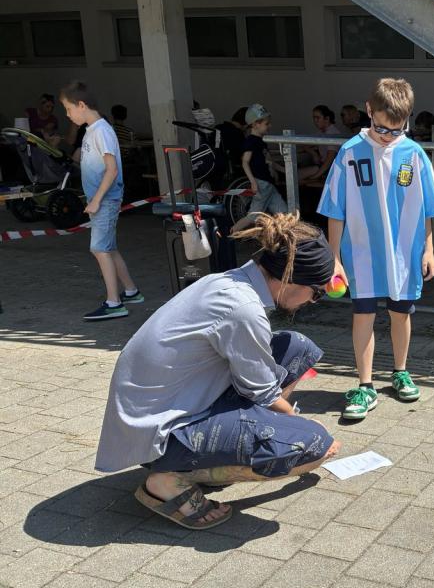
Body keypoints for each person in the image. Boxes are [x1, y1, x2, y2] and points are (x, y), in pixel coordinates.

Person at [95, 213, 339, 530]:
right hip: (160, 435)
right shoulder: (243, 309)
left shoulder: (229, 282)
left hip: (169, 407)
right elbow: (263, 393)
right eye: (317, 292)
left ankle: (218, 449)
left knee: (297, 346)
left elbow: (258, 382)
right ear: (290, 280)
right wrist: (299, 424)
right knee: (314, 446)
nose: (314, 301)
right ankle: (168, 478)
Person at [318, 78, 434, 420]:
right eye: (382, 129)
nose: (388, 136)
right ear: (369, 111)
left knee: (401, 313)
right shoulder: (349, 153)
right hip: (361, 254)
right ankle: (365, 384)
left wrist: (428, 249)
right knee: (363, 315)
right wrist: (335, 259)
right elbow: (334, 210)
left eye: (396, 130)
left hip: (403, 254)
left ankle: (401, 371)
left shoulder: (413, 154)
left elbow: (427, 208)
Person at [59, 81, 142, 321]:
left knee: (99, 248)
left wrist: (95, 200)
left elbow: (111, 170)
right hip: (101, 200)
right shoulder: (91, 130)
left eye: (68, 109)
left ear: (81, 105)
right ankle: (131, 291)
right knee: (108, 248)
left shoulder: (102, 131)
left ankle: (114, 303)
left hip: (105, 200)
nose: (67, 115)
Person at [242, 103, 287, 215]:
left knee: (284, 214)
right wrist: (253, 182)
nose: (270, 126)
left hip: (268, 183)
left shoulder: (261, 141)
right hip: (261, 184)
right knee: (253, 216)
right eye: (267, 124)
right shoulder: (251, 141)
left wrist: (285, 171)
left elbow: (269, 161)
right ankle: (236, 228)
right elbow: (245, 162)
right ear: (255, 124)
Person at [299, 104, 341, 184]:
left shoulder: (332, 134)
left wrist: (315, 176)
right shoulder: (322, 132)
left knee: (297, 176)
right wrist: (314, 153)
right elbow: (306, 145)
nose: (315, 121)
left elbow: (329, 159)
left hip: (330, 170)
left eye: (317, 118)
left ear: (327, 119)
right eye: (314, 118)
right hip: (321, 167)